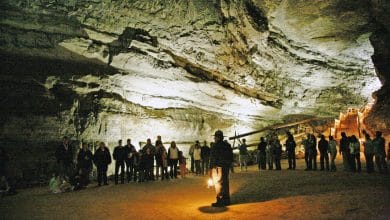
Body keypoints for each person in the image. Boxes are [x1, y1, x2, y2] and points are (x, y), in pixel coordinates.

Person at [209, 130, 233, 207]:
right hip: (225, 167)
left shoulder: (215, 146)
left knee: (218, 183)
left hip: (218, 167)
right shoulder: (227, 145)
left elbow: (213, 157)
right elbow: (231, 156)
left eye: (215, 137)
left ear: (218, 137)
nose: (214, 138)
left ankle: (220, 200)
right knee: (225, 182)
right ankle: (226, 199)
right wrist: (228, 164)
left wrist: (211, 167)